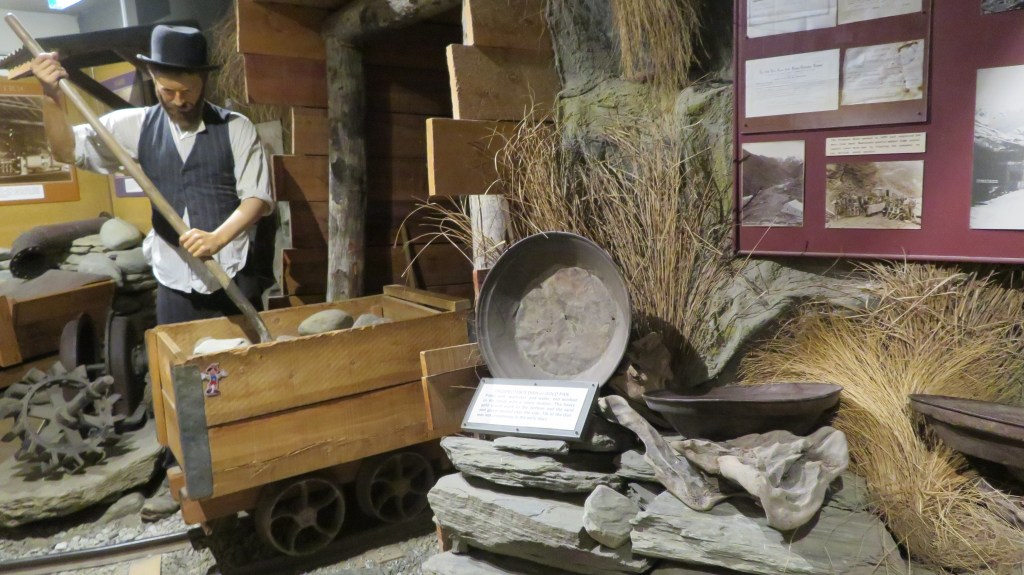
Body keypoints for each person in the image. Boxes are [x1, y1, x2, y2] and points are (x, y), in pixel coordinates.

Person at [30, 25, 274, 327]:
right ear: (153, 78)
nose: (179, 100)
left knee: (244, 355)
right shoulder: (135, 126)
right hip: (174, 279)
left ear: (204, 81)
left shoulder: (235, 127)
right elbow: (66, 150)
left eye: (188, 91)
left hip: (233, 273)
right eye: (168, 91)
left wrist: (218, 238)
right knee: (177, 356)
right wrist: (51, 94)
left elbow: (257, 198)